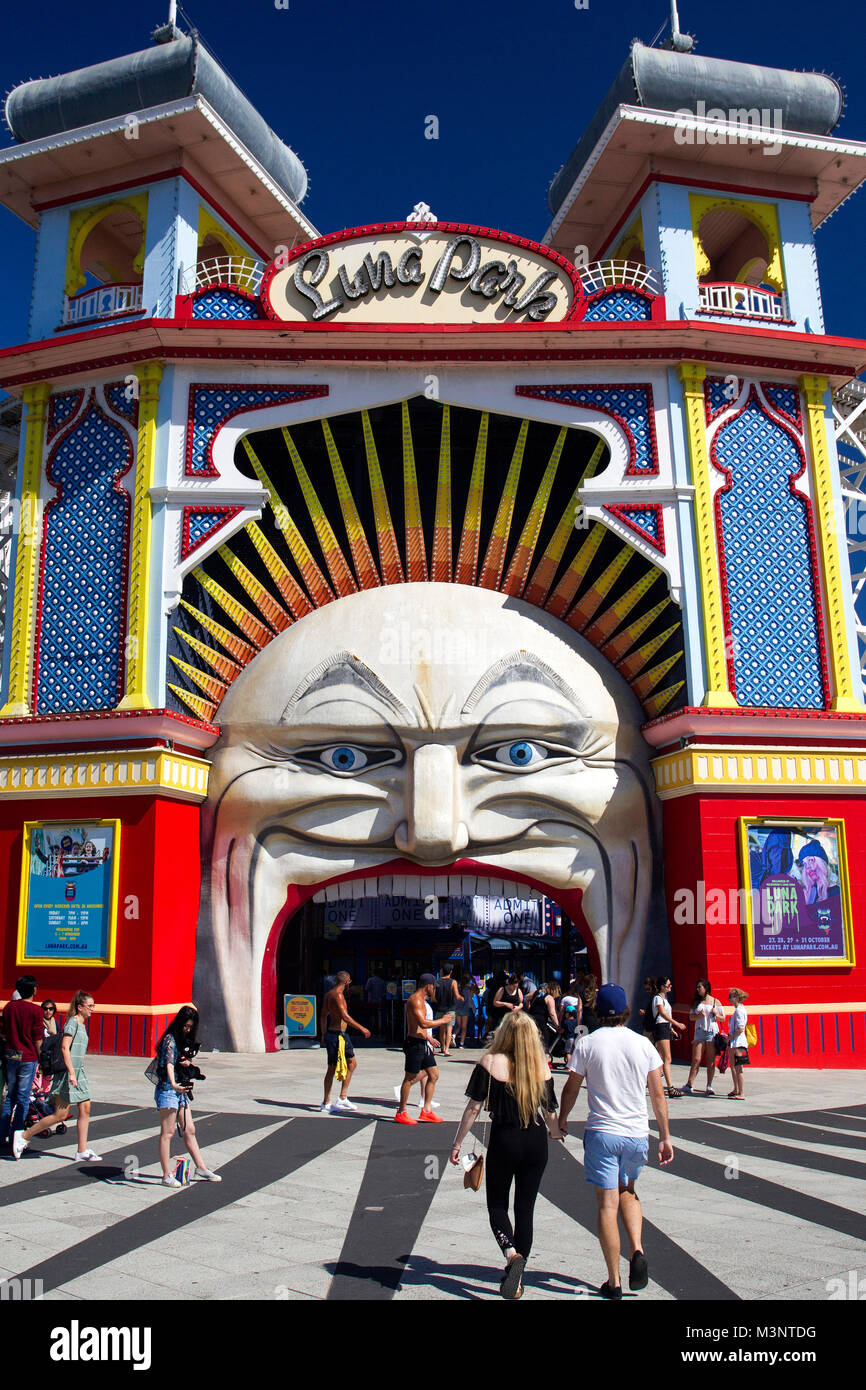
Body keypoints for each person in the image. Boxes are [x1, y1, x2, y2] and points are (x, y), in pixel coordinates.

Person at [558, 982, 674, 1299]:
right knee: (629, 1191)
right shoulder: (643, 1045)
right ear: (625, 1010)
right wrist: (664, 1136)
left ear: (597, 1010)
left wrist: (562, 1118)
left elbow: (571, 1088)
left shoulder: (587, 1044)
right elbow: (658, 1094)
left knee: (606, 1204)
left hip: (603, 1133)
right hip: (637, 1133)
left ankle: (614, 1281)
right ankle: (637, 1248)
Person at [450, 1012, 560, 1299]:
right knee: (525, 1210)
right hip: (536, 1143)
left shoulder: (489, 1062)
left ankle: (511, 1256)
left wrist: (457, 1144)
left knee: (497, 1206)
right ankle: (519, 1278)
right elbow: (550, 1112)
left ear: (504, 1034)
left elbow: (474, 1108)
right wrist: (556, 1131)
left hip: (505, 1139)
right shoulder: (542, 1067)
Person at [13, 990, 100, 1162]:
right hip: (68, 1073)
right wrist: (72, 1073)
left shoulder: (81, 1024)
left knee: (85, 1108)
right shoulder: (72, 1023)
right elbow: (64, 1048)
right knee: (60, 1115)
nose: (92, 1009)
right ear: (80, 1007)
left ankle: (82, 1150)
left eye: (93, 1006)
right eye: (89, 1006)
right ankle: (24, 1135)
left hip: (78, 1071)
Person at [153, 1006, 221, 1186]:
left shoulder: (183, 1040)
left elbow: (176, 1062)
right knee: (168, 1132)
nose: (188, 1030)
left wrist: (185, 1063)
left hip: (180, 1089)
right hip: (168, 1089)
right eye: (185, 1026)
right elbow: (168, 1063)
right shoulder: (170, 1039)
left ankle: (201, 1167)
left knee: (189, 1129)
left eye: (191, 1027)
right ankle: (166, 1174)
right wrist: (174, 1083)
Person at [395, 975, 453, 1125]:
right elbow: (422, 1023)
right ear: (428, 986)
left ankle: (426, 1110)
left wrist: (428, 1039)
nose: (434, 990)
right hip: (414, 1043)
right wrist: (443, 1021)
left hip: (422, 1043)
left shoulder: (423, 1001)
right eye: (434, 987)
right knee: (409, 1077)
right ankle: (401, 1111)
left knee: (433, 1074)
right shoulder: (415, 1000)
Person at [0, 975, 43, 1152]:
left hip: (11, 1054)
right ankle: (17, 1134)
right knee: (23, 1097)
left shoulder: (9, 1007)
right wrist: (41, 1057)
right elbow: (37, 1038)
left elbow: (3, 1032)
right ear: (33, 990)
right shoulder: (36, 1011)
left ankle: (2, 1133)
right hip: (27, 1056)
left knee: (11, 1094)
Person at [320, 972, 370, 1114]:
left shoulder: (328, 994)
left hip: (336, 1034)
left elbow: (323, 1015)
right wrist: (362, 1028)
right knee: (331, 1068)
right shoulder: (338, 995)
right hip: (338, 1036)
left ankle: (342, 1097)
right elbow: (345, 1017)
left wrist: (323, 1033)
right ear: (348, 981)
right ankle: (326, 1102)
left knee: (352, 1064)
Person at [683, 980, 725, 1095]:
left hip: (711, 1032)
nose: (697, 989)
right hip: (699, 1031)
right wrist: (699, 1015)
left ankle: (709, 1085)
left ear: (706, 988)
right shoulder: (696, 1002)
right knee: (696, 1059)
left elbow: (723, 1018)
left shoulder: (716, 1002)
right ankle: (689, 1084)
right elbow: (691, 1017)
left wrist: (716, 1014)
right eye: (697, 987)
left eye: (699, 987)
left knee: (710, 1060)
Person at [647, 977, 686, 1097]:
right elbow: (662, 1014)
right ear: (662, 987)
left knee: (659, 1059)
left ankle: (652, 1084)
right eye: (668, 985)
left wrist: (672, 1029)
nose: (670, 987)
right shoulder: (658, 998)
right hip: (661, 1028)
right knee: (667, 1058)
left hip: (664, 1027)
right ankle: (670, 1088)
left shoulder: (664, 999)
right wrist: (676, 1024)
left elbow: (665, 1016)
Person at [434, 965, 463, 1056]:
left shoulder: (437, 981)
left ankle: (442, 1047)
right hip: (450, 1008)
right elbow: (457, 995)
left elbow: (433, 997)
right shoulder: (453, 982)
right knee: (449, 1029)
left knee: (441, 1029)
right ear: (451, 972)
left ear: (442, 971)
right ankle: (447, 1049)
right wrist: (461, 998)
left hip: (439, 1008)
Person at [527, 981, 561, 1057]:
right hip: (541, 1021)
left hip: (531, 1019)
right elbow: (552, 1013)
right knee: (544, 1040)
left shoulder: (537, 993)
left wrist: (528, 1007)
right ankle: (543, 1059)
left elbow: (526, 997)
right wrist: (557, 1025)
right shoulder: (549, 998)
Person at [727, 989, 749, 1100]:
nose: (729, 998)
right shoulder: (738, 1010)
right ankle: (736, 1089)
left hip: (738, 1042)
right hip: (735, 1042)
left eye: (731, 996)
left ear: (736, 997)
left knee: (738, 1067)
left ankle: (741, 1092)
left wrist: (730, 1037)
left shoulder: (740, 1011)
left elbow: (741, 1028)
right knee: (734, 1066)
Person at [454, 976, 477, 1049]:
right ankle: (462, 1043)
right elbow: (477, 991)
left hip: (457, 1009)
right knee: (465, 1027)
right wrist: (474, 981)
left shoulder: (457, 988)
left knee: (459, 1025)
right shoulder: (469, 989)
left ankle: (453, 1035)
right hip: (466, 1009)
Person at [365, 973, 386, 1038]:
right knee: (378, 1016)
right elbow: (384, 991)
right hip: (379, 1001)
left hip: (371, 1001)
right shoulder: (382, 981)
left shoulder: (370, 980)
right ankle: (378, 1030)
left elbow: (367, 988)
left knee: (371, 1015)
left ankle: (371, 1030)